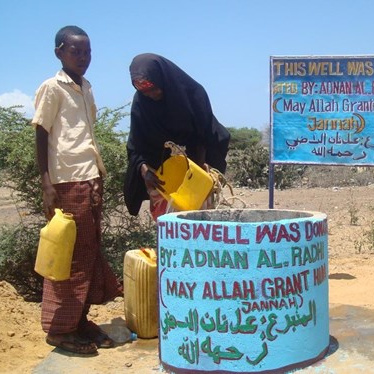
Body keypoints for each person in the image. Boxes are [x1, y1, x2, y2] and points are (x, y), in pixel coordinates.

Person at [32, 25, 122, 355]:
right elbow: (41, 133)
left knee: (88, 254)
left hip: (89, 179)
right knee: (68, 259)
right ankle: (59, 330)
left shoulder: (85, 87)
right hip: (66, 181)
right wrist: (46, 184)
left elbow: (85, 137)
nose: (83, 58)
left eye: (87, 52)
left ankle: (80, 321)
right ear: (59, 52)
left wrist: (97, 179)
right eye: (75, 51)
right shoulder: (51, 87)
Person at [124, 53, 231, 219]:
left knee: (198, 226)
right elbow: (136, 146)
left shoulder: (193, 94)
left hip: (198, 175)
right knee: (168, 229)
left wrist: (200, 173)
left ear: (163, 79)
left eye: (154, 88)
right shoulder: (141, 103)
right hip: (162, 178)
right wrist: (146, 172)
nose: (150, 94)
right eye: (145, 92)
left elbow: (207, 135)